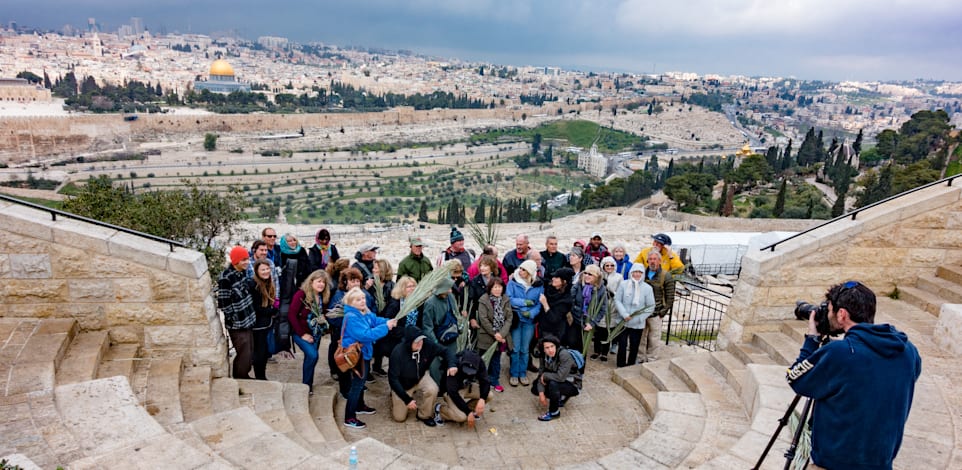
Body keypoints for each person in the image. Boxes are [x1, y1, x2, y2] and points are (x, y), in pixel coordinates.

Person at [786, 281, 921, 470]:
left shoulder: (840, 353)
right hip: (881, 462)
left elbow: (796, 378)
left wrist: (812, 340)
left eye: (831, 310)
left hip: (835, 463)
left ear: (842, 314)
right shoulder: (908, 350)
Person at [341, 287, 397, 429]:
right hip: (357, 355)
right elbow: (366, 334)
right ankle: (349, 417)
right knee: (357, 385)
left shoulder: (363, 312)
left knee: (361, 381)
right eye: (358, 299)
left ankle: (359, 406)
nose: (362, 301)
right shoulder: (352, 317)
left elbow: (374, 320)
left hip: (363, 353)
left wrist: (388, 321)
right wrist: (386, 327)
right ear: (350, 302)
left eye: (363, 298)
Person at [388, 326, 458, 427]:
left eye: (421, 339)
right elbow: (393, 379)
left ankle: (424, 415)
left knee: (433, 389)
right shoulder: (397, 353)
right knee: (399, 418)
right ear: (409, 343)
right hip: (402, 384)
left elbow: (445, 351)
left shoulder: (427, 345)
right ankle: (395, 396)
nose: (420, 343)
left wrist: (452, 365)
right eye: (416, 341)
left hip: (420, 377)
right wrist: (407, 399)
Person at [288, 270, 332, 393]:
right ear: (311, 281)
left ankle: (307, 385)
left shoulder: (323, 297)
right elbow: (292, 315)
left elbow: (325, 313)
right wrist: (302, 334)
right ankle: (306, 384)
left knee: (311, 358)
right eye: (319, 281)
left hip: (316, 334)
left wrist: (324, 319)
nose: (321, 284)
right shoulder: (301, 294)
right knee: (313, 355)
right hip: (300, 333)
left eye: (323, 282)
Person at [217, 246, 257, 379]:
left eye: (247, 259)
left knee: (250, 352)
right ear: (235, 261)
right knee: (243, 353)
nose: (247, 262)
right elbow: (223, 302)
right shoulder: (226, 278)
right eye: (243, 260)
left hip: (248, 319)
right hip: (237, 324)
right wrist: (233, 318)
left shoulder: (242, 273)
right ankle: (240, 378)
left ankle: (244, 375)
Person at [506, 260, 543, 387]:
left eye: (524, 270)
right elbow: (509, 299)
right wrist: (525, 303)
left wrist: (532, 313)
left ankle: (523, 373)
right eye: (520, 269)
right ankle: (514, 373)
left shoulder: (538, 285)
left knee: (525, 349)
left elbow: (538, 304)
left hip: (529, 321)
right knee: (515, 348)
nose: (520, 271)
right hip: (516, 319)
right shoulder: (512, 283)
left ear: (530, 273)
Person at [531, 335, 581, 422]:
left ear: (556, 346)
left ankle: (554, 412)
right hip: (556, 378)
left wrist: (545, 375)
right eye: (547, 348)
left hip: (572, 383)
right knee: (535, 388)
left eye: (552, 346)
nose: (550, 350)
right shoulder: (543, 356)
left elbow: (560, 377)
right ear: (543, 349)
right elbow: (540, 375)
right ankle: (559, 397)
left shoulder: (563, 354)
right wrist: (541, 394)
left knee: (553, 384)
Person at [475, 277, 513, 393]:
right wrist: (495, 333)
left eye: (500, 287)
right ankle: (482, 381)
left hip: (500, 336)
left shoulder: (505, 299)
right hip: (487, 335)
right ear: (490, 288)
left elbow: (509, 317)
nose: (497, 290)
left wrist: (501, 334)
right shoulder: (484, 299)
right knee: (483, 360)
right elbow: (483, 319)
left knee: (496, 360)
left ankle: (495, 381)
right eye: (495, 287)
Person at [422, 277, 461, 385]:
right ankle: (438, 388)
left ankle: (449, 387)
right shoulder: (430, 303)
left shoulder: (450, 297)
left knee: (452, 361)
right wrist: (435, 344)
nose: (450, 290)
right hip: (436, 338)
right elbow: (427, 327)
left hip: (451, 337)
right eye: (447, 288)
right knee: (435, 365)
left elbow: (456, 313)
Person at [613, 264, 655, 368]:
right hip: (623, 321)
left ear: (643, 274)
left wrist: (640, 318)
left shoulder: (647, 288)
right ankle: (620, 365)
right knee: (622, 345)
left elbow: (650, 306)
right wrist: (624, 314)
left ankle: (630, 364)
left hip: (637, 324)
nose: (637, 274)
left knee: (634, 345)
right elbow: (617, 300)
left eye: (639, 272)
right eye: (635, 272)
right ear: (631, 273)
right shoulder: (623, 284)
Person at [277, 233, 312, 355]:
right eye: (289, 241)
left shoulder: (301, 251)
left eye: (294, 240)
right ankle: (284, 343)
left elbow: (308, 267)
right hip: (287, 288)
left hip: (301, 286)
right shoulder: (281, 253)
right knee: (286, 313)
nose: (292, 243)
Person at [439, 349, 491, 427]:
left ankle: (469, 409)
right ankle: (439, 409)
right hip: (452, 392)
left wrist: (482, 399)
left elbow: (485, 381)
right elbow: (453, 392)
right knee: (461, 417)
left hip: (467, 386)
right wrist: (468, 412)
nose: (468, 373)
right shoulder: (454, 364)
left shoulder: (479, 362)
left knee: (489, 395)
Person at [248, 260, 278, 380]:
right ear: (257, 271)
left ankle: (262, 375)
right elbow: (256, 307)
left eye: (267, 269)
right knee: (260, 352)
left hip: (265, 323)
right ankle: (260, 377)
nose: (266, 272)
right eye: (263, 270)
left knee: (264, 351)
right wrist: (273, 311)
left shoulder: (267, 283)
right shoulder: (254, 285)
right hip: (258, 324)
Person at [642, 251, 674, 362]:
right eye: (650, 259)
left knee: (654, 338)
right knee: (641, 337)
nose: (652, 261)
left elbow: (670, 296)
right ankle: (640, 357)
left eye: (655, 259)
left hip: (656, 312)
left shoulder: (666, 276)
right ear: (647, 261)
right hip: (641, 312)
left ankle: (651, 358)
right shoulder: (642, 273)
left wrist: (662, 312)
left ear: (659, 261)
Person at [573, 264, 609, 361]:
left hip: (589, 322)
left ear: (596, 277)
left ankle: (580, 371)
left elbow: (603, 308)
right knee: (573, 346)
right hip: (576, 320)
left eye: (590, 274)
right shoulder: (579, 285)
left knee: (583, 348)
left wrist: (592, 323)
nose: (587, 276)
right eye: (585, 273)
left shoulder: (601, 290)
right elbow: (571, 301)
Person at [541, 267, 574, 347]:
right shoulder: (551, 288)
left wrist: (545, 304)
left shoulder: (566, 299)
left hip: (555, 332)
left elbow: (554, 318)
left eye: (556, 277)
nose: (553, 279)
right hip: (543, 327)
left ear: (564, 281)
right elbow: (542, 280)